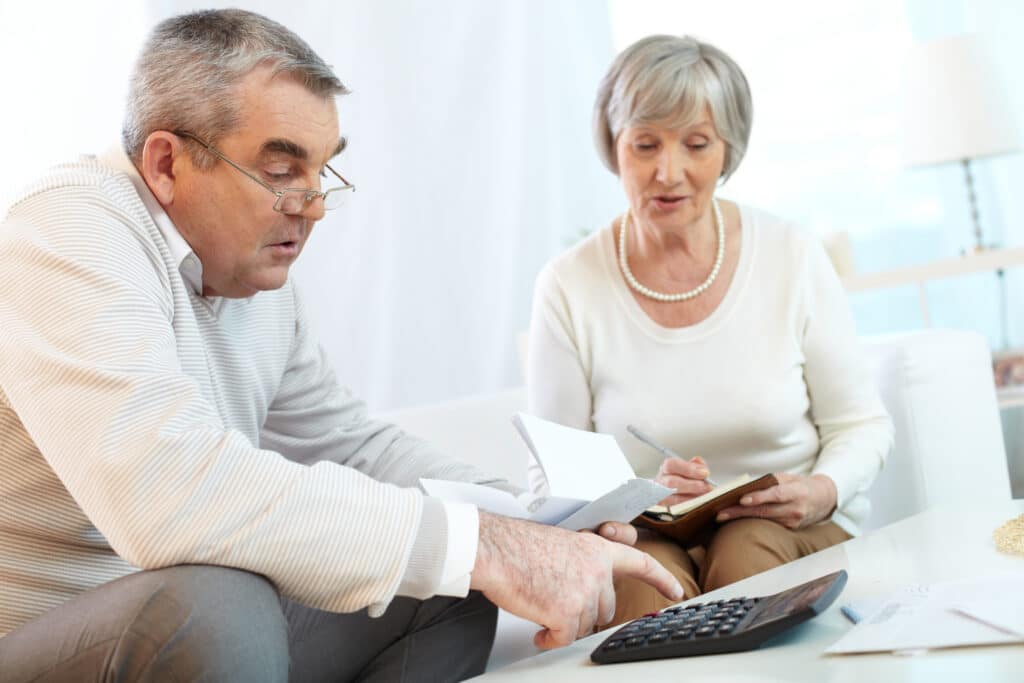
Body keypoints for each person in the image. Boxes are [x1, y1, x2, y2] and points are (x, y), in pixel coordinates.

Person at [0, 10, 683, 681]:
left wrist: (536, 528)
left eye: (322, 172)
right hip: (47, 636)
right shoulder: (67, 231)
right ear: (166, 162)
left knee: (444, 581)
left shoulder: (254, 282)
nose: (315, 205)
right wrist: (479, 543)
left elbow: (354, 446)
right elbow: (165, 489)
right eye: (280, 171)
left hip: (192, 626)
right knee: (217, 603)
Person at [526, 34, 894, 627]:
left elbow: (860, 425)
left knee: (746, 560)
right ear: (613, 147)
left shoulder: (791, 255)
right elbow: (554, 472)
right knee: (642, 593)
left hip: (791, 526)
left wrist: (823, 489)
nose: (668, 173)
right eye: (645, 145)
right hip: (647, 531)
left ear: (728, 151)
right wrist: (640, 493)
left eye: (695, 145)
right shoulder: (570, 284)